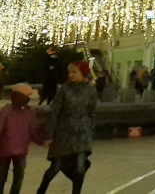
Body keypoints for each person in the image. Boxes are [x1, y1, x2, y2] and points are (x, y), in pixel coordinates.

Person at [37, 60, 97, 194]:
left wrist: (90, 129)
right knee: (55, 167)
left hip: (82, 135)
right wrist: (50, 135)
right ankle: (41, 191)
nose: (70, 75)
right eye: (69, 72)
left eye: (74, 72)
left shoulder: (90, 90)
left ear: (83, 73)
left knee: (80, 167)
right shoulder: (64, 89)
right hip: (63, 134)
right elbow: (54, 112)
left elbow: (92, 111)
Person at [0, 84, 43, 194]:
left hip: (5, 149)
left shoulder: (6, 110)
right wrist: (42, 141)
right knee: (18, 177)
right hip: (20, 150)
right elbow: (34, 130)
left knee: (2, 177)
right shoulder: (29, 111)